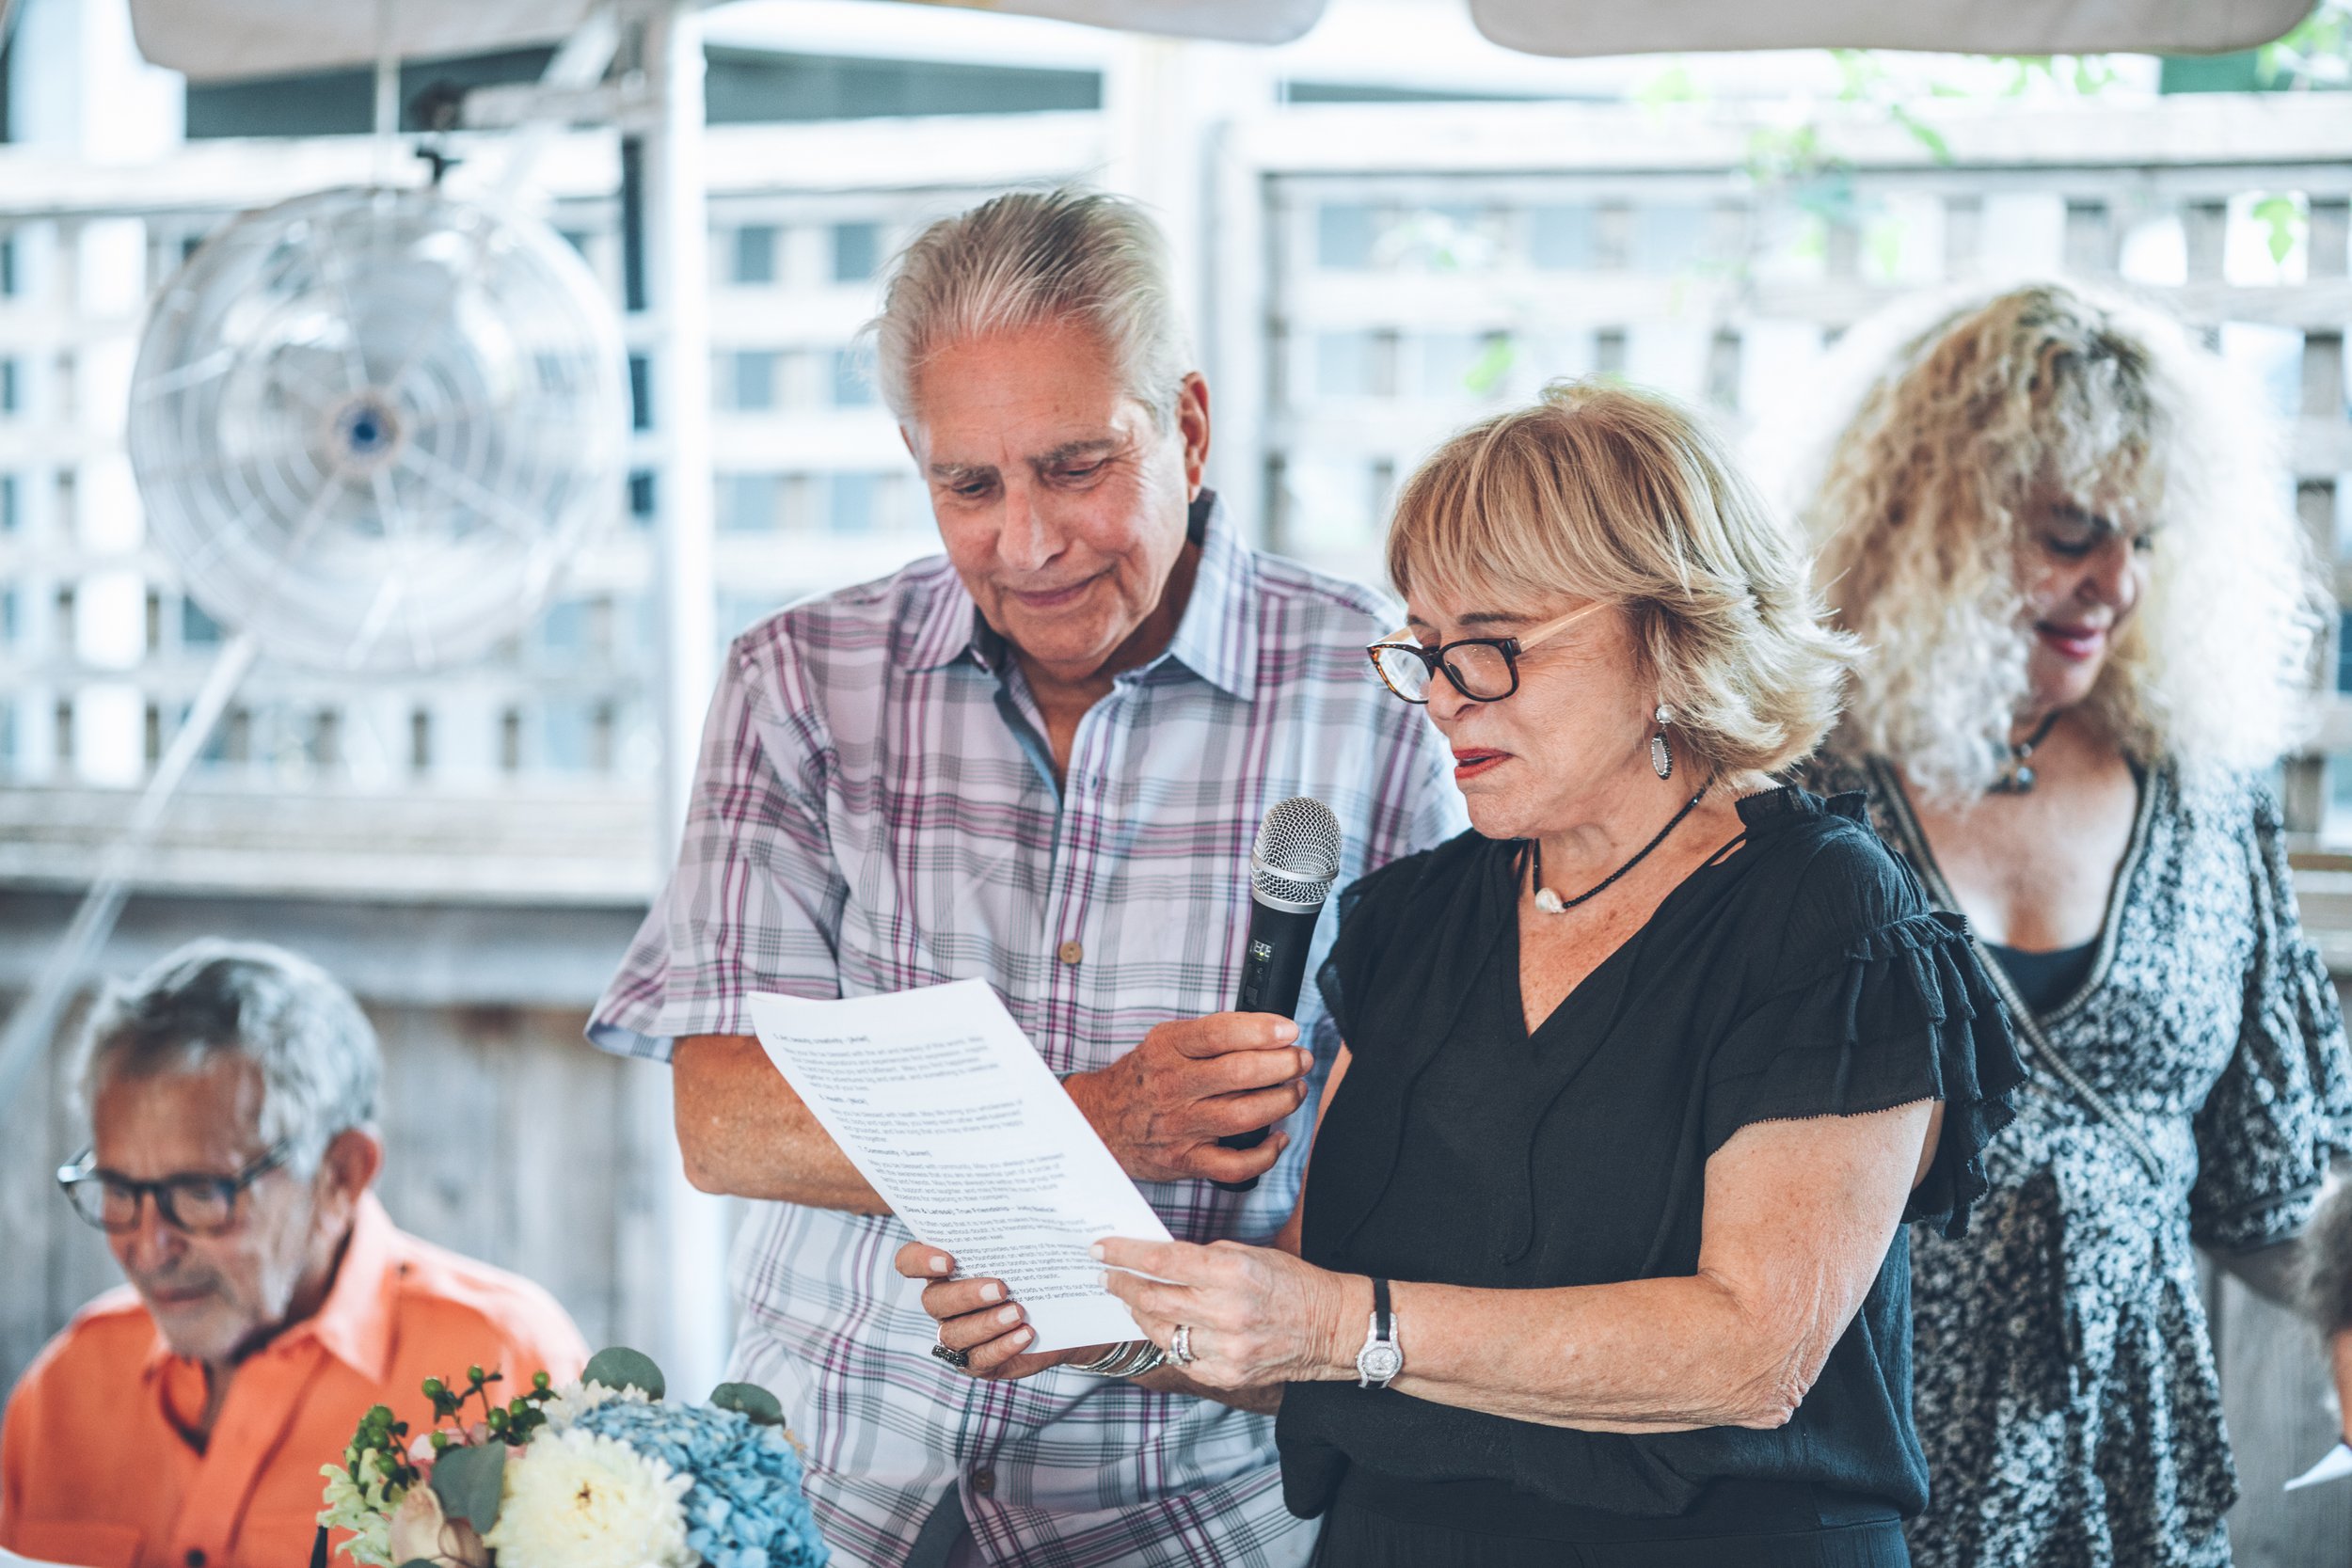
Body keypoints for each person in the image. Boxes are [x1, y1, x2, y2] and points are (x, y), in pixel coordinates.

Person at [906, 380, 2026, 1565]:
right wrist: (1091, 1319)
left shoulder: (1830, 913)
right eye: (1425, 651)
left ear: (1671, 632)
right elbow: (1309, 1326)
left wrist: (1338, 1322)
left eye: (1491, 647)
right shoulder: (1419, 917)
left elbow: (1752, 1352)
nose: (1442, 698)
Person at [586, 186, 1461, 1568]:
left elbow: (1404, 1196)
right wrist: (1102, 1118)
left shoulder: (1380, 695)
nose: (1030, 542)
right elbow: (724, 1119)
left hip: (1190, 1507)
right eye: (969, 484)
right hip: (828, 1494)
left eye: (1076, 465)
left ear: (1186, 423)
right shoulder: (802, 680)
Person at [1797, 280, 2352, 1568]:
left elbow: (2274, 1186)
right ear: (1927, 517)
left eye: (2144, 539)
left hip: (2128, 1480)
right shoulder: (1796, 782)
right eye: (2071, 533)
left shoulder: (2202, 789)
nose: (2119, 582)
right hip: (1838, 1462)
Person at [0, 940, 586, 1568]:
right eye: (119, 1189)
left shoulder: (503, 1362)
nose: (148, 1247)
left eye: (200, 1191)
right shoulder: (63, 1387)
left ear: (341, 1173)